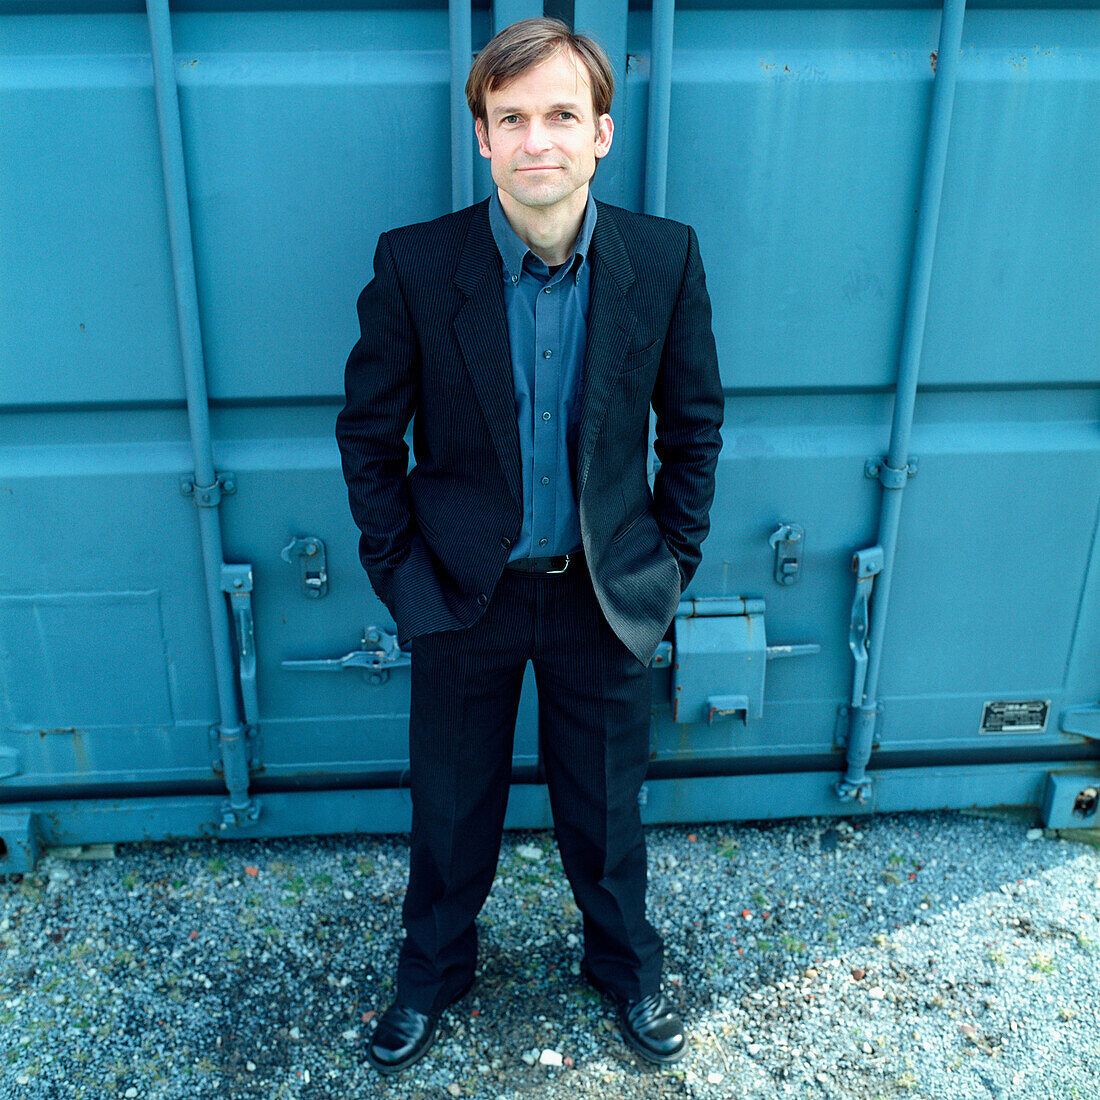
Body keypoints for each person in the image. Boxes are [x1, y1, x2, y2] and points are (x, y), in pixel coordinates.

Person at [336, 16, 723, 1075]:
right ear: (481, 136)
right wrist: (403, 580)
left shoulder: (661, 256)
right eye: (511, 118)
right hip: (463, 593)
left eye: (560, 114)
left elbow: (693, 428)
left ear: (601, 132)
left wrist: (667, 562)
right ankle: (429, 974)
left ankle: (623, 965)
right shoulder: (417, 266)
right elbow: (368, 436)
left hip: (603, 592)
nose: (535, 139)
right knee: (449, 808)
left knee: (605, 810)